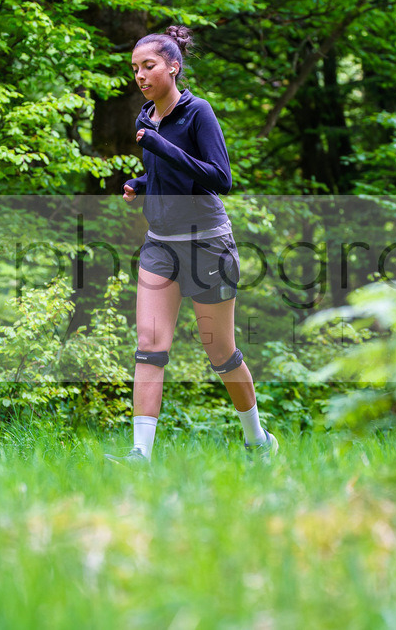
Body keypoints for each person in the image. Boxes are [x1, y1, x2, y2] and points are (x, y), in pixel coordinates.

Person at [105, 25, 277, 464]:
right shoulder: (146, 117)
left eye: (149, 66)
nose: (140, 76)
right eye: (135, 68)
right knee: (149, 345)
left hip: (207, 244)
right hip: (160, 244)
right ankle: (140, 455)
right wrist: (142, 183)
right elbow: (169, 175)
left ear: (173, 67)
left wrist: (160, 147)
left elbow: (220, 178)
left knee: (220, 352)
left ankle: (258, 440)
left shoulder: (198, 112)